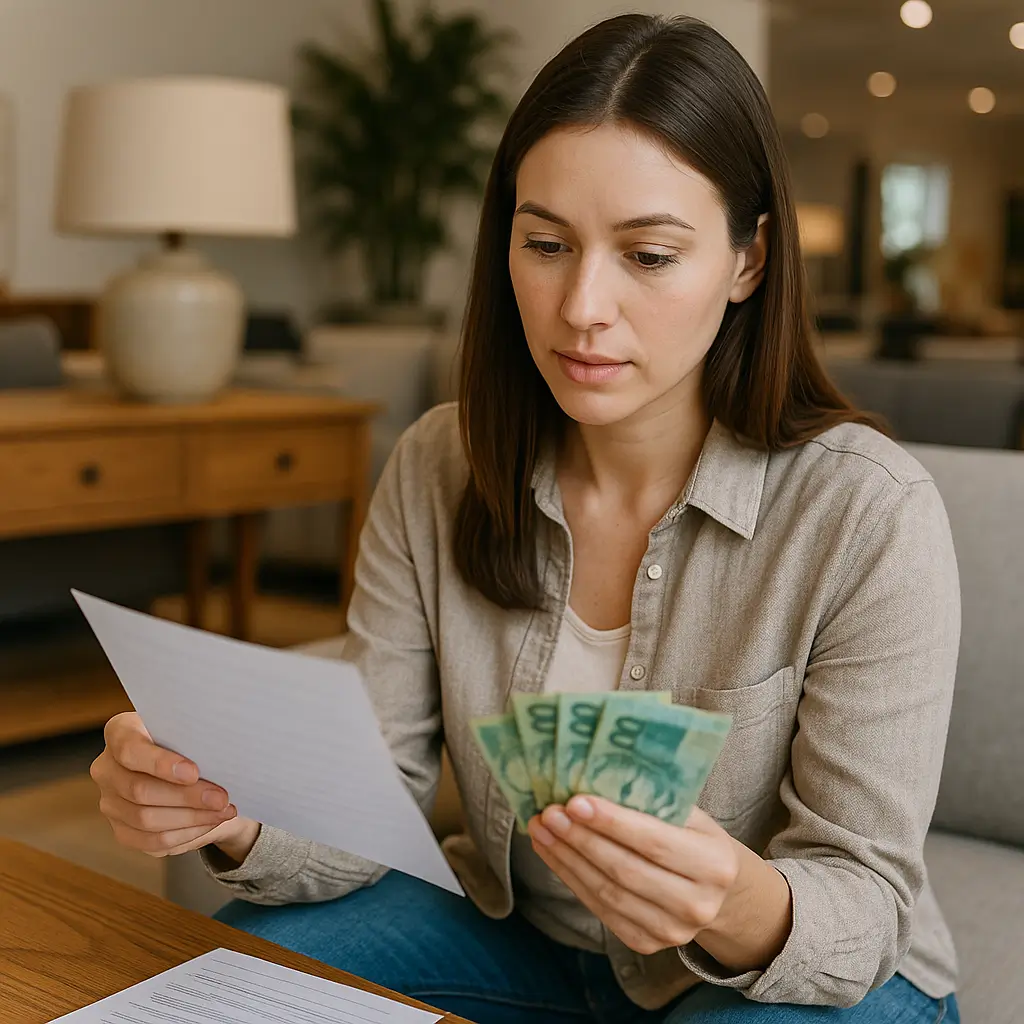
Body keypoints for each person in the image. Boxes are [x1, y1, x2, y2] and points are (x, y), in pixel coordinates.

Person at [89, 14, 961, 1024]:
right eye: (545, 243)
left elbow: (864, 901)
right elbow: (370, 796)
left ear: (747, 260)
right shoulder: (438, 465)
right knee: (231, 987)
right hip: (523, 942)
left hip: (780, 980)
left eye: (648, 255)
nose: (581, 305)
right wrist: (228, 811)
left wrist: (730, 898)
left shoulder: (866, 513)